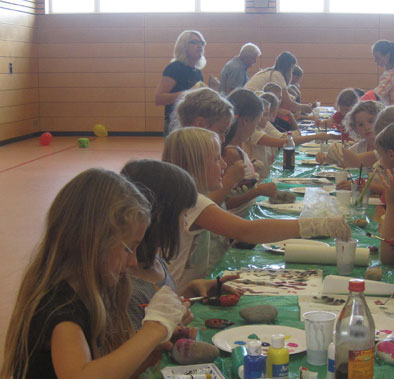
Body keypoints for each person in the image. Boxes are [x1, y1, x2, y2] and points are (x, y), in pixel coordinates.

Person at [0, 169, 186, 379]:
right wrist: (154, 328)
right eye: (128, 247)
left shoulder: (91, 292)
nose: (131, 261)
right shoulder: (58, 307)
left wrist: (150, 351)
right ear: (92, 240)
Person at [161, 127, 351, 288]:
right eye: (216, 159)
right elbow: (248, 230)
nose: (224, 163)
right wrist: (315, 226)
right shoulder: (194, 202)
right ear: (196, 165)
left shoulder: (189, 196)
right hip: (177, 292)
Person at [120, 159, 241, 330]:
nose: (186, 222)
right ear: (160, 216)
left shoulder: (156, 262)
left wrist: (190, 292)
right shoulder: (130, 288)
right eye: (184, 215)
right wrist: (165, 332)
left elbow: (163, 310)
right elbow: (134, 352)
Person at [223, 88, 278, 217]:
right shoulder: (231, 153)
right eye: (256, 122)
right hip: (239, 218)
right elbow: (225, 203)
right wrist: (258, 191)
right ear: (246, 121)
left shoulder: (239, 148)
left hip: (248, 212)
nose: (255, 128)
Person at [155, 30, 208, 135]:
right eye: (194, 42)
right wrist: (189, 93)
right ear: (183, 46)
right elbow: (159, 98)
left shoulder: (197, 72)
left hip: (193, 123)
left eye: (202, 43)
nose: (199, 46)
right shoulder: (175, 68)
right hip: (176, 124)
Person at [244, 52, 312, 114]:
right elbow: (287, 104)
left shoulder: (268, 72)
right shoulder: (277, 75)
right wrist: (304, 107)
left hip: (248, 104)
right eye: (292, 69)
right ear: (289, 68)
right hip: (250, 107)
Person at [370, 40, 394, 105]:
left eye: (377, 58)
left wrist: (360, 100)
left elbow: (376, 95)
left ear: (387, 56)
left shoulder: (391, 74)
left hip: (392, 113)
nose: (375, 60)